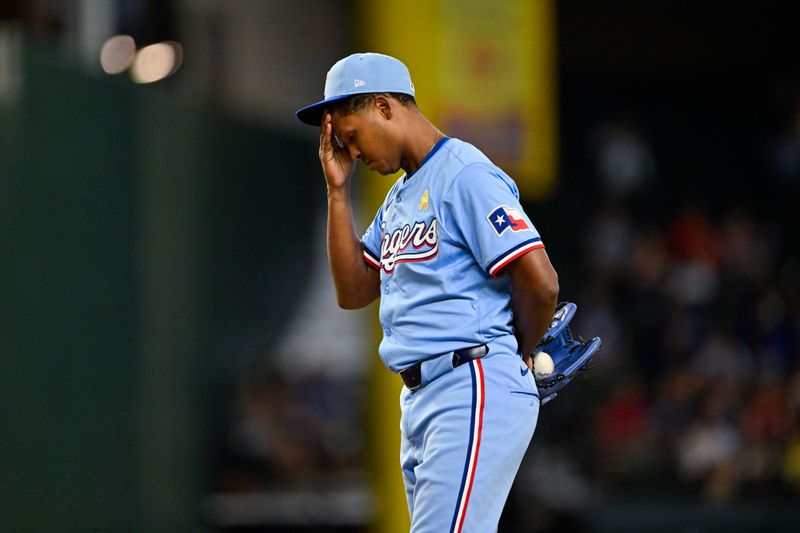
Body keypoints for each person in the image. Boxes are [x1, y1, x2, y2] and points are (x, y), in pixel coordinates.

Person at [296, 52, 558, 533]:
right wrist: (337, 193)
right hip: (423, 397)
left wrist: (514, 355)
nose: (351, 152)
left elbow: (541, 282)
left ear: (383, 106)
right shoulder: (400, 196)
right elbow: (354, 291)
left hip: (471, 380)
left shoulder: (464, 174)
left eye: (352, 136)